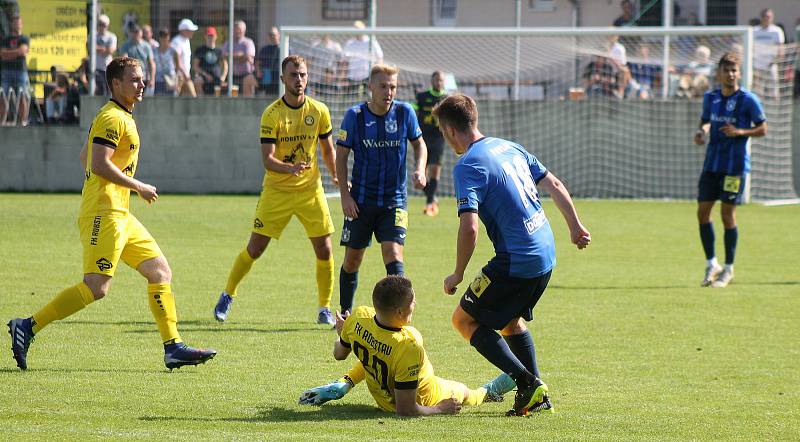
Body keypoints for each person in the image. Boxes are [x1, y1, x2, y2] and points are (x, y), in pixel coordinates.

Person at [7, 57, 217, 371]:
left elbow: (84, 158)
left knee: (160, 272)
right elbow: (98, 163)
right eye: (134, 79)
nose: (142, 84)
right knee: (96, 287)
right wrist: (137, 186)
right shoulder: (111, 117)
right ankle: (28, 325)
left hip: (119, 213)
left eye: (142, 79)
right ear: (115, 84)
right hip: (104, 214)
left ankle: (173, 347)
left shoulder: (120, 116)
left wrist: (114, 187)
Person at [434, 93, 591, 416]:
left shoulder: (467, 165)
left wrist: (458, 273)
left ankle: (527, 383)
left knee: (463, 319)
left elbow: (470, 228)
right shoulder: (509, 146)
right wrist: (575, 227)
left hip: (517, 259)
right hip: (546, 253)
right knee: (509, 320)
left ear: (449, 130)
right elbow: (556, 184)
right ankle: (538, 394)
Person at [214, 55, 339, 325]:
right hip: (277, 191)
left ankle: (324, 308)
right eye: (293, 75)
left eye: (303, 74)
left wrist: (337, 176)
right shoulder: (272, 114)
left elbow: (328, 150)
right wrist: (289, 168)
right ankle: (228, 294)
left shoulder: (319, 111)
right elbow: (267, 159)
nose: (299, 80)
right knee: (255, 248)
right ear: (283, 79)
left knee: (325, 249)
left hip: (310, 191)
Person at [299, 275, 515, 416]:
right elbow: (405, 409)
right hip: (425, 396)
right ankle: (489, 392)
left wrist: (343, 335)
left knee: (378, 354)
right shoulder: (408, 343)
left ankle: (344, 383)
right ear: (400, 312)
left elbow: (340, 353)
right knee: (466, 393)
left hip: (382, 399)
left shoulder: (359, 317)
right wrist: (440, 408)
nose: (415, 304)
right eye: (412, 302)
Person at [335, 64, 427, 315]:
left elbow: (420, 145)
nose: (389, 91)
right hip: (360, 202)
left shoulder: (405, 113)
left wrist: (420, 169)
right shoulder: (355, 116)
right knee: (353, 259)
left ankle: (399, 312)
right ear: (371, 87)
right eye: (384, 86)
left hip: (394, 201)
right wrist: (345, 195)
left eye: (393, 87)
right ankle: (345, 312)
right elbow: (341, 156)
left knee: (393, 251)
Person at [693, 52, 767, 288]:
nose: (731, 74)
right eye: (727, 70)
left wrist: (741, 132)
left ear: (739, 73)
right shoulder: (710, 98)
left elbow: (762, 128)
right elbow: (705, 121)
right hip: (711, 165)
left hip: (734, 168)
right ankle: (711, 263)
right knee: (702, 212)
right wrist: (702, 131)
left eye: (734, 70)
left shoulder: (748, 100)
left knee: (727, 214)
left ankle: (728, 268)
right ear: (719, 73)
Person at [414, 71, 448, 216]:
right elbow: (413, 112)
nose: (439, 82)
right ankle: (432, 197)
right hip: (423, 139)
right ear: (432, 81)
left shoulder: (447, 98)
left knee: (435, 170)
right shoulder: (422, 97)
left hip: (439, 139)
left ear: (444, 82)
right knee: (421, 174)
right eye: (436, 80)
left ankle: (429, 205)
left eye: (441, 80)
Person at [0, 14, 28, 126]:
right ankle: (1, 122)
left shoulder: (24, 38)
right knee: (2, 97)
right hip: (6, 72)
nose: (16, 24)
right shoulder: (5, 39)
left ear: (21, 24)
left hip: (20, 71)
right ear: (11, 24)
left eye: (18, 22)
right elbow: (2, 54)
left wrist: (9, 53)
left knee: (22, 97)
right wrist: (17, 53)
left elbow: (23, 51)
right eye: (15, 22)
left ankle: (23, 122)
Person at [752, 8, 785, 99]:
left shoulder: (777, 31)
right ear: (761, 17)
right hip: (757, 65)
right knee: (758, 92)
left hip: (771, 64)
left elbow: (781, 48)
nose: (767, 19)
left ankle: (774, 109)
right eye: (765, 16)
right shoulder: (754, 31)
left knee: (774, 91)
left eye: (769, 17)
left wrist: (776, 60)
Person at [119, 24, 155, 97]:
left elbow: (151, 63)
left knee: (143, 100)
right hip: (131, 77)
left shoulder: (146, 46)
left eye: (137, 32)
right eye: (134, 32)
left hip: (144, 77)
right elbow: (124, 60)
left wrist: (152, 79)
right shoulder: (126, 45)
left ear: (141, 33)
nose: (136, 34)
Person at [223, 19, 257, 97]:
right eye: (235, 29)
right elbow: (224, 56)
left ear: (244, 30)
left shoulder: (248, 42)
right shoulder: (228, 43)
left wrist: (231, 56)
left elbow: (248, 57)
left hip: (246, 75)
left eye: (240, 29)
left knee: (247, 98)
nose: (237, 31)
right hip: (232, 76)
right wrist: (240, 55)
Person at [343, 20, 383, 85]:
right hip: (352, 78)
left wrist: (378, 75)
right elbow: (345, 62)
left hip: (368, 77)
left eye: (358, 29)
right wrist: (343, 77)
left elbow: (380, 58)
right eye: (355, 29)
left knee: (368, 95)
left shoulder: (371, 42)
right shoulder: (349, 44)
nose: (357, 31)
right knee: (353, 95)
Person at [193, 26, 228, 96]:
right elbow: (195, 66)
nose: (210, 38)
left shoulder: (219, 50)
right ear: (205, 37)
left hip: (217, 77)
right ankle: (202, 102)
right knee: (197, 81)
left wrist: (223, 77)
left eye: (212, 36)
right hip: (204, 76)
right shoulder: (200, 50)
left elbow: (225, 65)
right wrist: (205, 75)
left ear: (216, 37)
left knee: (226, 86)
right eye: (209, 36)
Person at [171, 18, 197, 97]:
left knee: (182, 98)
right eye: (190, 30)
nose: (192, 32)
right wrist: (184, 73)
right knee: (192, 96)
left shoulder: (186, 41)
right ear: (184, 30)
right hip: (179, 76)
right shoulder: (176, 41)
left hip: (185, 75)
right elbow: (176, 59)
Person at [94, 14, 116, 96]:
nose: (101, 27)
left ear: (107, 25)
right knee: (98, 92)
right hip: (95, 68)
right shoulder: (92, 36)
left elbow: (110, 50)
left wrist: (97, 48)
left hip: (107, 68)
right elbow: (90, 48)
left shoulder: (111, 36)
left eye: (103, 25)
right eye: (99, 24)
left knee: (108, 92)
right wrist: (104, 49)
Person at [153, 28, 179, 96]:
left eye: (166, 36)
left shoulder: (173, 51)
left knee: (172, 101)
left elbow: (177, 67)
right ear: (159, 37)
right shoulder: (154, 51)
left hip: (170, 80)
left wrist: (176, 81)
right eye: (162, 36)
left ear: (169, 37)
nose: (164, 38)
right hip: (158, 80)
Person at [255, 26, 280, 96]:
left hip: (280, 79)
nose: (272, 36)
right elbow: (258, 62)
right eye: (270, 34)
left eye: (274, 34)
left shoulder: (284, 48)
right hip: (267, 78)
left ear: (278, 35)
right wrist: (258, 71)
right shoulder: (264, 49)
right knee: (268, 97)